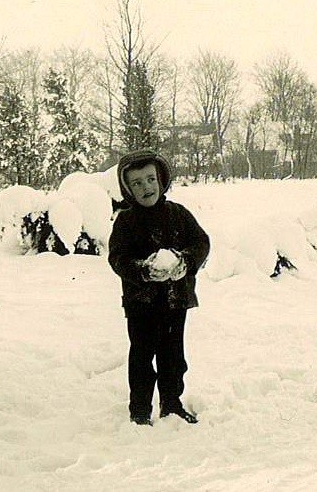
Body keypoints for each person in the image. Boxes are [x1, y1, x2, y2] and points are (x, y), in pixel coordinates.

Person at [108, 149, 210, 426]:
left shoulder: (179, 214)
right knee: (141, 357)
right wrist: (143, 270)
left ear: (161, 178)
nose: (146, 187)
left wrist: (185, 262)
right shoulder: (126, 222)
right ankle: (140, 410)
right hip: (141, 303)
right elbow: (118, 258)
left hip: (176, 300)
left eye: (150, 179)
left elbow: (201, 243)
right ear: (127, 188)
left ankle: (171, 404)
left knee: (173, 357)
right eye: (137, 183)